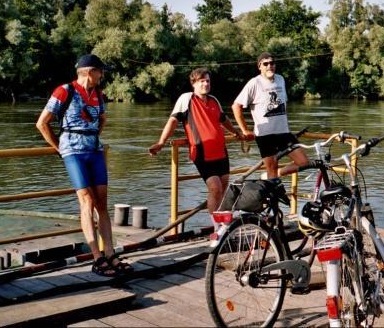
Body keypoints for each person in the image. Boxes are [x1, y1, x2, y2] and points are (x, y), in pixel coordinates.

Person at [36, 53, 132, 277]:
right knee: (87, 200)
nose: (102, 75)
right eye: (100, 71)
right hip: (73, 152)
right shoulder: (64, 91)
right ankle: (97, 257)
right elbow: (42, 123)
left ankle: (110, 253)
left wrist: (93, 137)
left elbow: (103, 119)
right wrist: (60, 148)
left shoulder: (98, 93)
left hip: (94, 150)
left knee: (102, 203)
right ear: (89, 72)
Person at [148, 67, 244, 224]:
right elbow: (173, 121)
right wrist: (161, 142)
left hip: (220, 150)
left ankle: (222, 222)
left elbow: (223, 119)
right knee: (215, 188)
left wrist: (236, 132)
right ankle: (217, 227)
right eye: (202, 81)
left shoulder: (214, 100)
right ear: (194, 83)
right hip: (201, 152)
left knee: (223, 187)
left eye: (207, 81)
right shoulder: (186, 99)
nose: (205, 84)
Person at [232, 52, 309, 179]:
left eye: (272, 63)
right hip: (265, 136)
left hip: (284, 133)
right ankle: (272, 189)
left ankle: (278, 174)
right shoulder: (254, 83)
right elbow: (236, 106)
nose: (269, 66)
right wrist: (245, 130)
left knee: (304, 162)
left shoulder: (280, 79)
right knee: (271, 170)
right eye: (265, 64)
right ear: (259, 66)